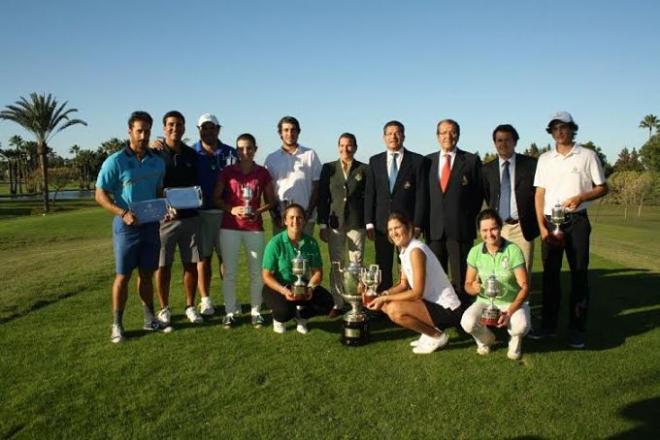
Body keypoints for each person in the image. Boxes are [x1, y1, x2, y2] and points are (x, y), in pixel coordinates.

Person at [530, 111, 608, 348]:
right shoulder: (544, 159)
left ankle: (577, 329)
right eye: (555, 128)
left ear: (572, 129)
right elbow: (539, 194)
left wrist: (581, 196)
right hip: (550, 221)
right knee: (551, 276)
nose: (560, 132)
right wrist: (542, 228)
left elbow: (602, 188)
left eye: (564, 127)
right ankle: (549, 326)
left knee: (579, 275)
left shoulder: (587, 155)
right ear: (551, 132)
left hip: (577, 222)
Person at [95, 111, 166, 343]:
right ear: (130, 131)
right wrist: (122, 213)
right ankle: (117, 324)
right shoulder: (115, 161)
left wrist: (164, 208)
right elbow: (100, 194)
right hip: (126, 227)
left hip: (151, 226)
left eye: (147, 130)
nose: (144, 135)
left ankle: (149, 318)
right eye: (139, 130)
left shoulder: (157, 161)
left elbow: (157, 193)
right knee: (123, 276)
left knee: (146, 274)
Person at [365, 212, 463, 354]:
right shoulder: (405, 250)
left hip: (448, 308)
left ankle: (437, 336)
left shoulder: (416, 250)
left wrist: (385, 298)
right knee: (385, 305)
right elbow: (403, 284)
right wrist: (381, 294)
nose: (394, 233)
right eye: (390, 230)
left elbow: (417, 292)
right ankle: (430, 332)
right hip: (430, 303)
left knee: (393, 310)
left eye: (397, 227)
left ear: (408, 227)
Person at [213, 133, 276, 328]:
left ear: (255, 149)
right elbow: (216, 198)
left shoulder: (262, 172)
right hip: (230, 227)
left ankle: (256, 311)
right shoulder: (228, 171)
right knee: (229, 272)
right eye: (241, 148)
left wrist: (257, 211)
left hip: (254, 228)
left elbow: (272, 201)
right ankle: (230, 312)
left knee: (256, 272)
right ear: (236, 150)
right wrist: (232, 209)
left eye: (249, 148)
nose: (245, 152)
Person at [153, 111, 203, 326]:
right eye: (171, 124)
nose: (175, 128)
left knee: (191, 264)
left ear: (184, 128)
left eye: (179, 125)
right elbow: (152, 186)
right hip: (165, 220)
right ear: (164, 128)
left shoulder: (192, 155)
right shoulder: (154, 153)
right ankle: (164, 309)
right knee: (163, 266)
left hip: (191, 218)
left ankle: (190, 305)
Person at [426, 119, 483, 308]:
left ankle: (463, 316)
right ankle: (440, 315)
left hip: (460, 229)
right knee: (436, 278)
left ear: (458, 135)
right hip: (434, 230)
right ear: (437, 136)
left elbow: (478, 195)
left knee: (461, 278)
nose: (447, 136)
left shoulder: (471, 161)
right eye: (443, 132)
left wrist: (466, 217)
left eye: (452, 132)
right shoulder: (428, 162)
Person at [364, 120, 427, 291]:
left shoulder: (417, 161)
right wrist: (369, 222)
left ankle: (408, 300)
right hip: (381, 224)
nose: (393, 136)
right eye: (389, 133)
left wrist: (418, 224)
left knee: (406, 265)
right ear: (384, 137)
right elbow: (370, 193)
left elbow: (421, 196)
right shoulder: (375, 161)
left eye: (397, 132)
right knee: (383, 264)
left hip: (407, 225)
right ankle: (384, 302)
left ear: (403, 136)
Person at [461, 209, 531, 360]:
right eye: (484, 230)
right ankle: (486, 339)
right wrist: (473, 289)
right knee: (466, 322)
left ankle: (515, 339)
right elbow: (467, 284)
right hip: (485, 301)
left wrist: (509, 312)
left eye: (493, 228)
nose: (489, 234)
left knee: (521, 326)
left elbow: (525, 286)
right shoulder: (474, 252)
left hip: (511, 302)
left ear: (500, 228)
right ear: (479, 232)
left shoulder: (513, 250)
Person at [261, 203, 334, 334]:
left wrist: (310, 288)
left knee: (327, 302)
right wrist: (283, 291)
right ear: (285, 221)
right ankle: (278, 319)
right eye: (292, 217)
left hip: (301, 283)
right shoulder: (275, 243)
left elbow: (317, 272)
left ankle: (302, 317)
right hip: (278, 286)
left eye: (299, 217)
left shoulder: (311, 242)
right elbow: (266, 275)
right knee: (285, 312)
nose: (295, 221)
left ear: (304, 220)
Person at [317, 132, 368, 318]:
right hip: (335, 223)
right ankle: (337, 302)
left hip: (357, 223)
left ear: (355, 147)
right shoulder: (328, 168)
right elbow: (323, 198)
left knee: (357, 265)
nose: (345, 149)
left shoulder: (364, 169)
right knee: (337, 264)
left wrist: (368, 223)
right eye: (342, 145)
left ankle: (358, 301)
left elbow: (368, 198)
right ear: (338, 146)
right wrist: (322, 224)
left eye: (349, 145)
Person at [192, 113, 237, 316]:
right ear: (199, 129)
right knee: (203, 259)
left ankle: (230, 298)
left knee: (225, 259)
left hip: (225, 213)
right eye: (205, 127)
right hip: (200, 214)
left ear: (218, 129)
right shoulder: (191, 152)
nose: (208, 131)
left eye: (212, 127)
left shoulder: (230, 153)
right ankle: (205, 300)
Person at [482, 124, 539, 273]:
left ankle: (523, 297)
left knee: (523, 271)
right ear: (494, 143)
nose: (503, 144)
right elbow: (489, 196)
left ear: (515, 142)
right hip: (498, 228)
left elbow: (538, 195)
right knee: (499, 272)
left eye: (507, 140)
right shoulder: (487, 170)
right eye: (499, 140)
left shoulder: (530, 165)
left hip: (522, 227)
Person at [264, 116, 322, 236]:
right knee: (282, 254)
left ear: (298, 132)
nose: (290, 133)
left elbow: (317, 187)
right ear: (280, 133)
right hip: (281, 219)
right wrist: (275, 216)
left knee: (304, 254)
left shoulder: (310, 155)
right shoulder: (271, 159)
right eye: (286, 130)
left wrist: (308, 213)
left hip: (304, 219)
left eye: (293, 130)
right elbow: (267, 191)